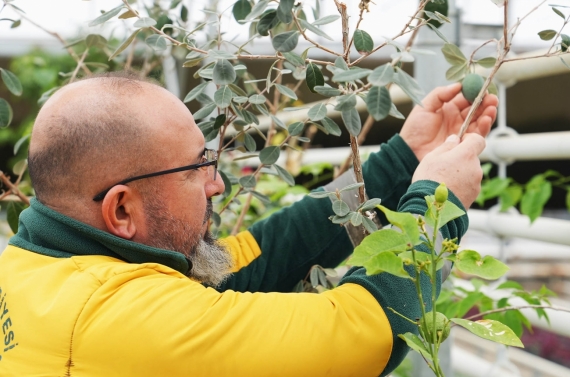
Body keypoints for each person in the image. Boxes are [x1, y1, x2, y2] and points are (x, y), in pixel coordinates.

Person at [0, 72, 497, 376]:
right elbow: (372, 331)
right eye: (195, 167)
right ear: (122, 210)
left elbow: (261, 254)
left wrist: (404, 159)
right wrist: (439, 202)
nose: (217, 184)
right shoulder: (123, 322)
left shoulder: (38, 266)